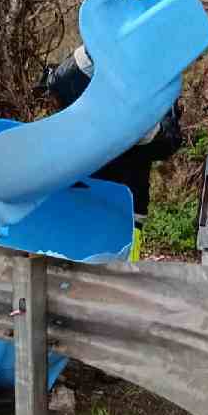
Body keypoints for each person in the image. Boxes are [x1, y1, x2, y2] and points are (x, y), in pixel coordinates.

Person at [38, 44, 184, 261]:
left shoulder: (158, 83)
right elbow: (57, 84)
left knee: (117, 287)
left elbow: (168, 142)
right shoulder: (89, 60)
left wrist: (137, 126)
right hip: (76, 199)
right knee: (65, 281)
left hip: (123, 210)